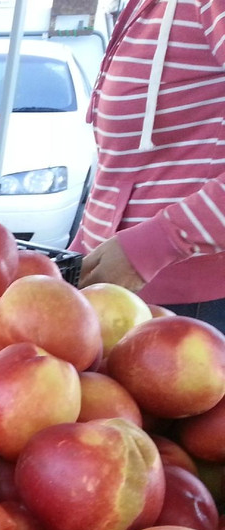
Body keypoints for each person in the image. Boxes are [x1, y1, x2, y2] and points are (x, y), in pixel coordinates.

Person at [71, 0, 225, 333]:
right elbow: (127, 164)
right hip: (123, 298)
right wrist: (79, 251)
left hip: (193, 308)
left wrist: (158, 244)